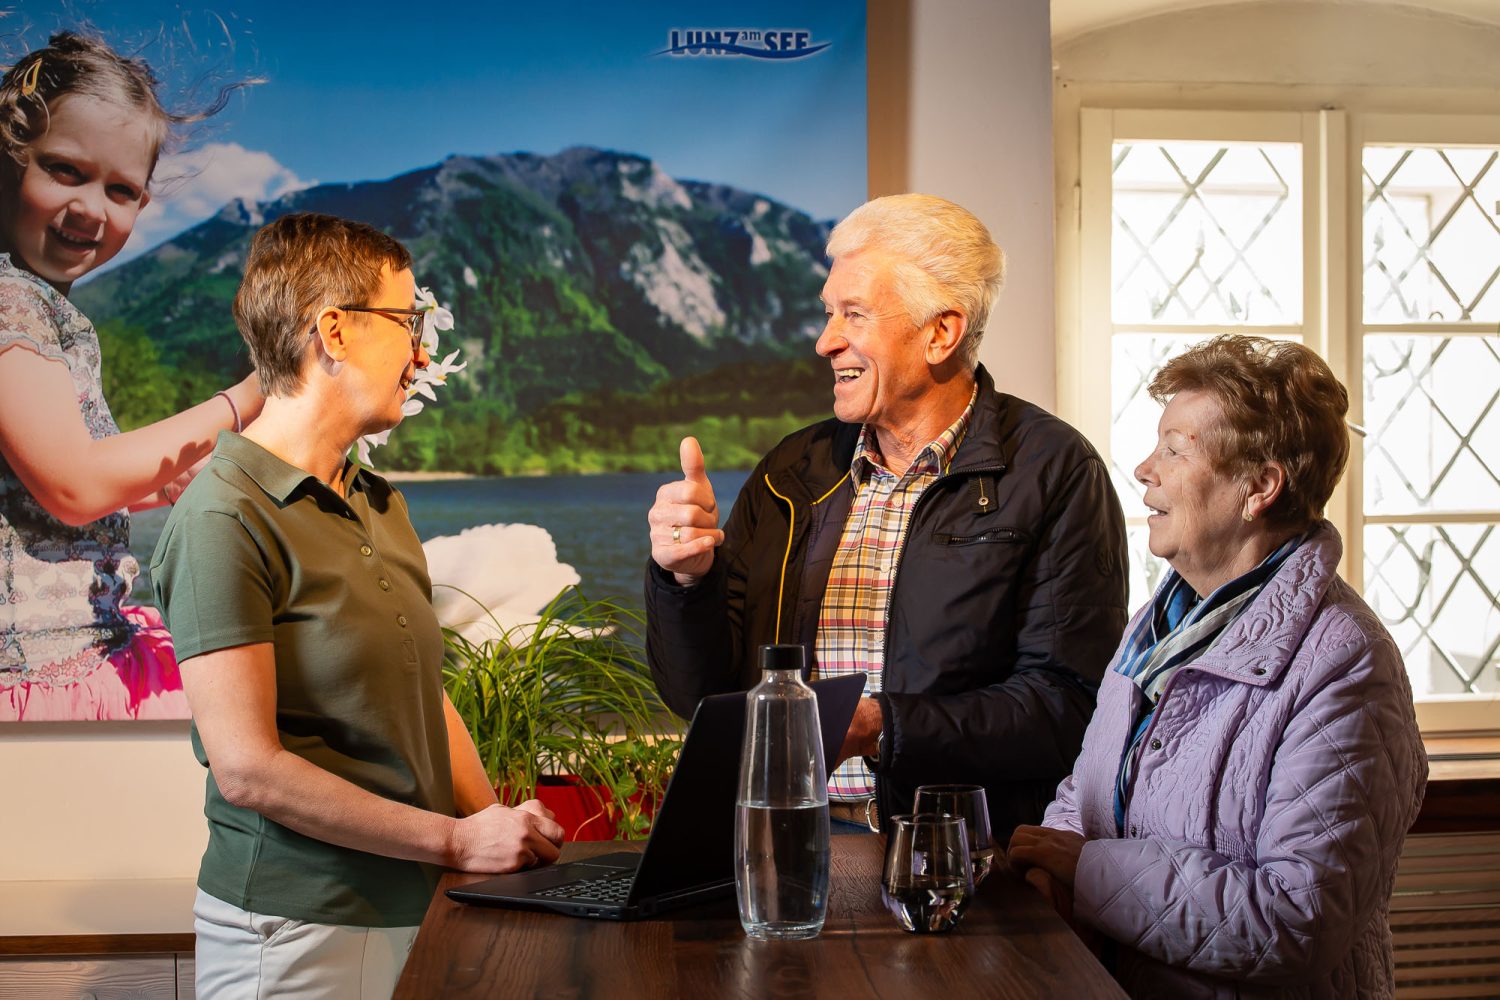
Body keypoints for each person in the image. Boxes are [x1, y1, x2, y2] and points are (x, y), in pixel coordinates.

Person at [150, 213, 565, 998]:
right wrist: (454, 840)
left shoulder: (378, 502)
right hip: (295, 932)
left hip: (417, 906)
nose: (423, 352)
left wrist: (497, 829)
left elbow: (418, 695)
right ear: (333, 332)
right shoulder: (222, 516)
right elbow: (249, 771)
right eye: (407, 323)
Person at [645, 193, 1128, 839]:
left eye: (854, 314)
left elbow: (1067, 706)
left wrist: (880, 726)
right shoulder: (794, 470)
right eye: (827, 314)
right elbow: (699, 694)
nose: (825, 342)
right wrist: (686, 582)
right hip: (782, 839)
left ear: (940, 333)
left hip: (959, 855)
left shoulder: (1055, 471)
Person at [1007, 336, 1428, 998]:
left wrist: (1086, 872)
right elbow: (1086, 792)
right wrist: (1049, 863)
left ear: (1258, 487)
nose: (1145, 469)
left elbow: (1297, 919)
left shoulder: (1347, 663)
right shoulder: (1160, 622)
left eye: (1175, 450)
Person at [0, 32, 265, 721]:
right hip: (36, 672)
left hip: (82, 643)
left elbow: (42, 488)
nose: (92, 208)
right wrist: (249, 395)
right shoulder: (9, 303)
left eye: (120, 189)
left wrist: (154, 482)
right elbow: (73, 484)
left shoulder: (41, 303)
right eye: (63, 170)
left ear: (143, 205)